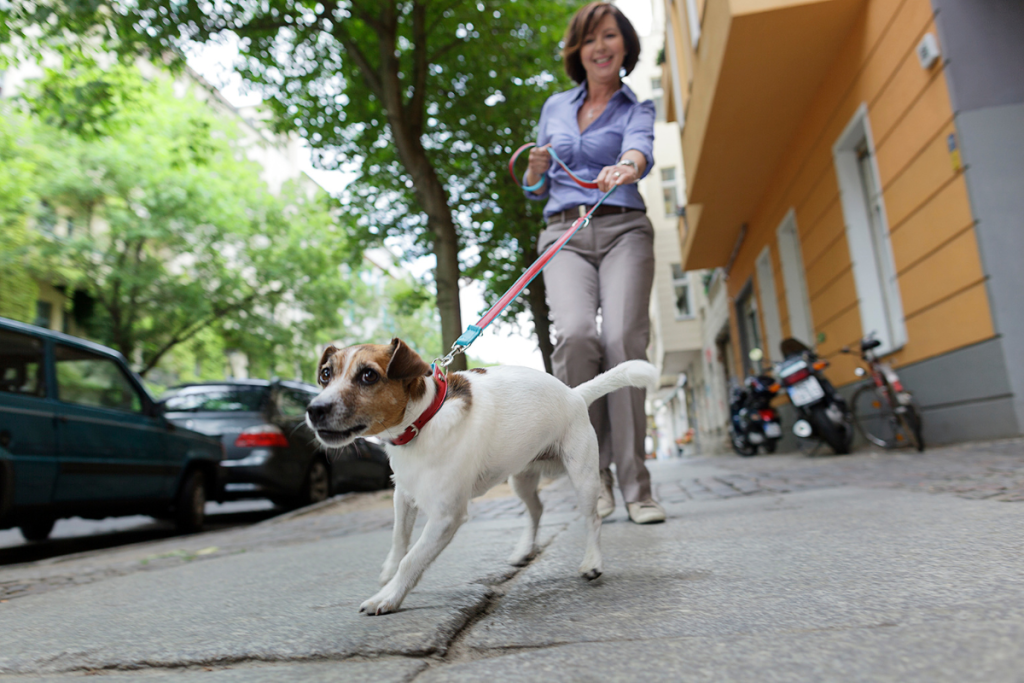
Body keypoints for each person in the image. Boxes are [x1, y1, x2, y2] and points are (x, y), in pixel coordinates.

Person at [523, 1, 665, 524]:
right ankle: (595, 477)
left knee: (623, 341)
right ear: (577, 52)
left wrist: (627, 166)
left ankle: (638, 488)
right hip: (565, 232)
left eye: (609, 36)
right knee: (578, 336)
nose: (600, 46)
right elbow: (537, 188)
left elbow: (640, 150)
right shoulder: (555, 107)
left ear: (624, 46)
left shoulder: (636, 107)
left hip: (624, 226)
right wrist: (536, 169)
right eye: (589, 39)